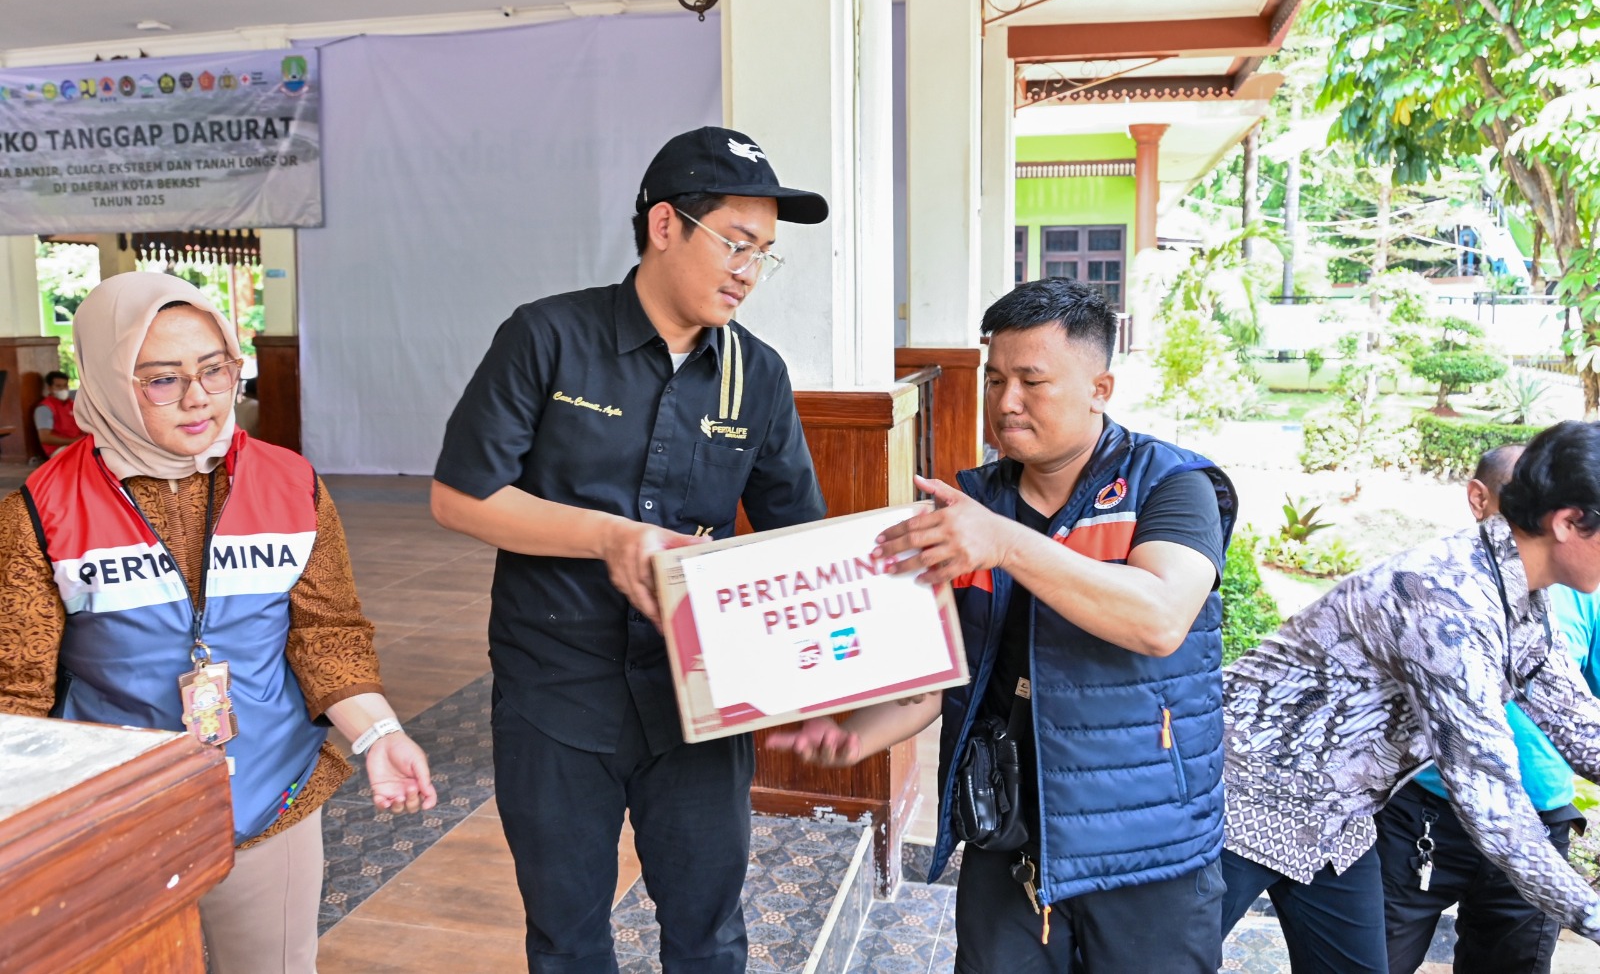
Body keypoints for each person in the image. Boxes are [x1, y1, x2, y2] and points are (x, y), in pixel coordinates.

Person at [430, 126, 828, 973]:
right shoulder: (547, 338)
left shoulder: (757, 376)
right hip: (556, 693)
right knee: (568, 936)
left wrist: (840, 670)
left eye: (765, 254)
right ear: (664, 226)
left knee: (709, 932)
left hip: (700, 701)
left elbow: (799, 539)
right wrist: (608, 536)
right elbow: (461, 496)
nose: (750, 270)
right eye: (736, 243)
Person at [770, 278, 1238, 973]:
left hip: (1146, 849)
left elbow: (1159, 618)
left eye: (1032, 381)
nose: (1005, 401)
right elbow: (934, 679)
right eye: (994, 379)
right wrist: (851, 736)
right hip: (1006, 828)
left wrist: (1004, 543)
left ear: (1099, 387)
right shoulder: (974, 506)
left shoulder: (1169, 485)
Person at [0, 271, 437, 974]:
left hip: (270, 792)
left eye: (216, 369)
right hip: (113, 813)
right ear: (110, 380)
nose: (200, 396)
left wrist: (380, 734)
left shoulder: (290, 482)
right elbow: (14, 687)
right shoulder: (41, 510)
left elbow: (327, 636)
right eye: (163, 379)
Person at [1220, 421, 1600, 974]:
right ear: (1567, 522)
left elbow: (1582, 727)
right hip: (1238, 797)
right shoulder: (1447, 601)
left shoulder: (1515, 592)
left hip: (1335, 817)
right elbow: (1492, 806)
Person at [1377, 443, 1600, 974]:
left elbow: (1579, 720)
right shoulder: (1439, 593)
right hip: (1425, 816)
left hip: (1541, 814)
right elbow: (1484, 787)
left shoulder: (1564, 597)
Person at [34, 368, 85, 455]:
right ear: (49, 388)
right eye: (58, 386)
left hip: (79, 444)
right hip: (59, 450)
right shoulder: (44, 409)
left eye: (65, 385)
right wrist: (74, 441)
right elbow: (45, 437)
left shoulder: (71, 403)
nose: (63, 389)